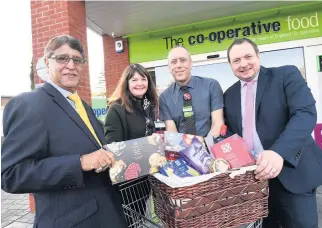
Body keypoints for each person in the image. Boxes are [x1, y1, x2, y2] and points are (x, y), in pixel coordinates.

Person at [1, 35, 127, 228]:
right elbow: (12, 175)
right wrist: (79, 162)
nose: (71, 65)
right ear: (46, 63)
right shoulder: (29, 104)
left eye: (77, 60)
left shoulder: (83, 106)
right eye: (62, 58)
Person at [223, 38, 322, 228]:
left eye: (248, 56)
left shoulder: (286, 75)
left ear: (258, 56)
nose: (243, 64)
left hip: (293, 173)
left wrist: (278, 152)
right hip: (256, 181)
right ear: (230, 65)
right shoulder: (229, 94)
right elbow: (232, 134)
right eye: (236, 60)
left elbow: (305, 114)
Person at [104, 63, 159, 224]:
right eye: (134, 80)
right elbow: (113, 148)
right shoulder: (116, 109)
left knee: (139, 219)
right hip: (127, 183)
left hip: (144, 178)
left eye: (143, 79)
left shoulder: (148, 106)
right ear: (126, 83)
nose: (140, 83)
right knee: (127, 221)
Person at [159, 46, 224, 139]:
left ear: (190, 63)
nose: (178, 65)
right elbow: (172, 132)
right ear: (169, 68)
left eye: (183, 60)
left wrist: (203, 145)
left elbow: (218, 123)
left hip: (210, 147)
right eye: (174, 62)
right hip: (181, 150)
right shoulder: (164, 97)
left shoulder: (211, 86)